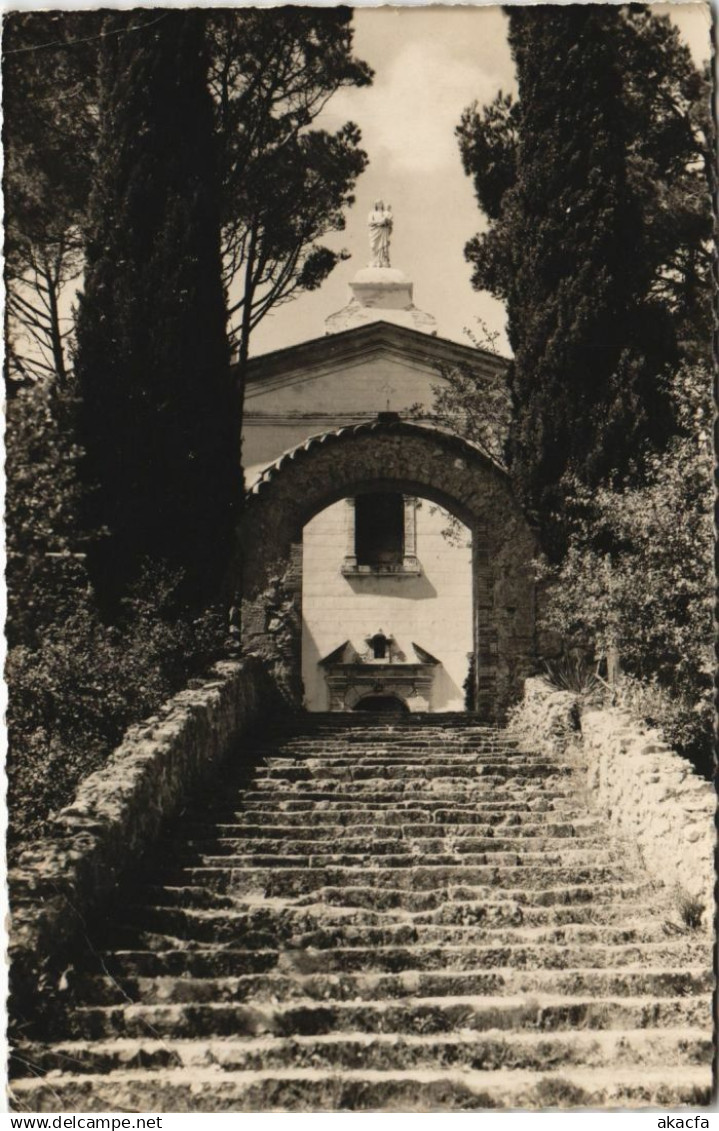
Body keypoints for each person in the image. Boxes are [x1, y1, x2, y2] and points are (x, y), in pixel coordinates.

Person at [368, 200, 392, 268]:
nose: (379, 205)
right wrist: (379, 222)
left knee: (383, 246)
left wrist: (386, 222)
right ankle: (374, 260)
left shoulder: (384, 213)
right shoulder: (372, 213)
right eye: (378, 203)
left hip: (383, 231)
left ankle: (383, 260)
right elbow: (369, 222)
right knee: (373, 246)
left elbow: (388, 222)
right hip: (375, 231)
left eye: (381, 203)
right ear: (375, 204)